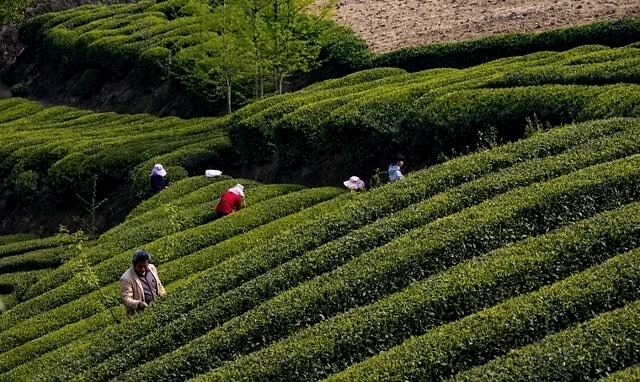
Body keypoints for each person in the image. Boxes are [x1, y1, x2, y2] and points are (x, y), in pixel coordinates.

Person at [120, 249, 165, 317]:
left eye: (145, 266)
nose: (143, 269)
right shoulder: (126, 278)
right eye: (140, 266)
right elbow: (126, 299)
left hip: (157, 307)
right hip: (141, 314)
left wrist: (163, 296)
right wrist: (138, 304)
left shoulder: (152, 268)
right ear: (134, 265)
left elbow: (158, 285)